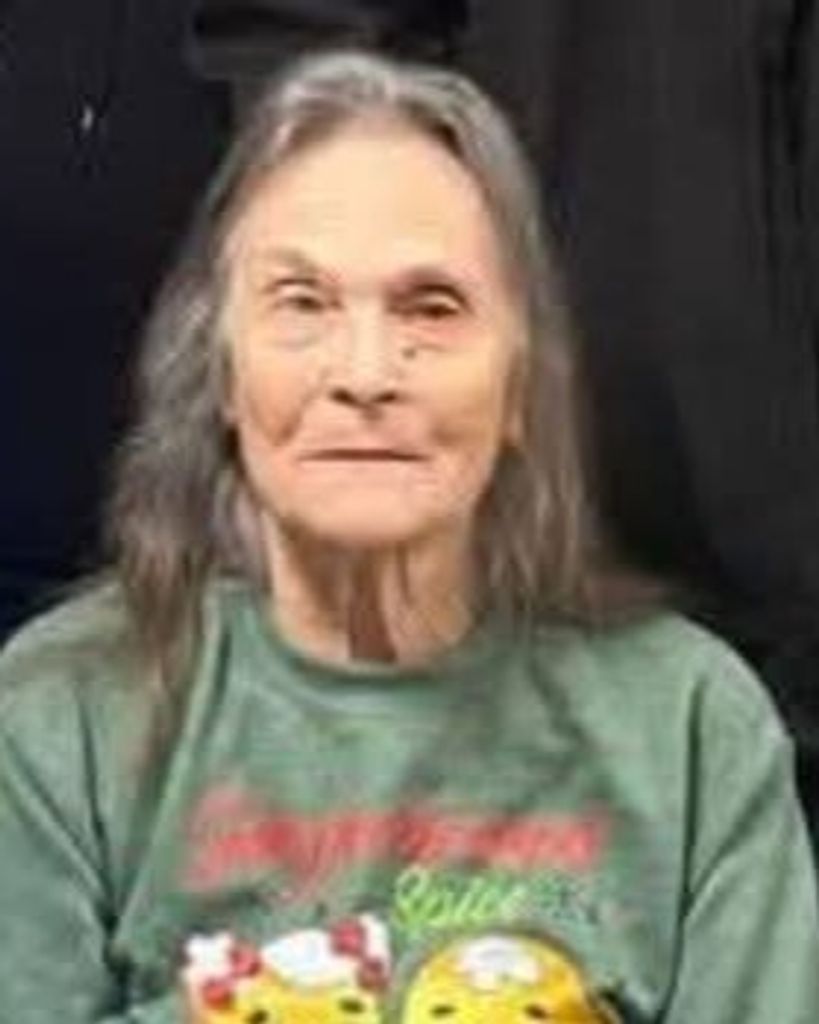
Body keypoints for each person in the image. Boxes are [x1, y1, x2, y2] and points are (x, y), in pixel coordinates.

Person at [0, 50, 816, 1024]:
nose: (366, 373)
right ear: (220, 372)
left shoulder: (692, 725)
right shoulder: (57, 716)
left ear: (520, 384)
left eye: (432, 308)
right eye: (302, 303)